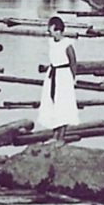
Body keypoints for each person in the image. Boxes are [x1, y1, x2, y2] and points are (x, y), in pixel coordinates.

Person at [38, 16, 78, 146]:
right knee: (52, 104)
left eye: (52, 30)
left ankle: (62, 137)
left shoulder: (67, 44)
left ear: (58, 30)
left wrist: (72, 79)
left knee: (63, 105)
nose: (50, 32)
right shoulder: (51, 42)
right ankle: (54, 135)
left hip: (64, 76)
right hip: (52, 74)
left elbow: (73, 63)